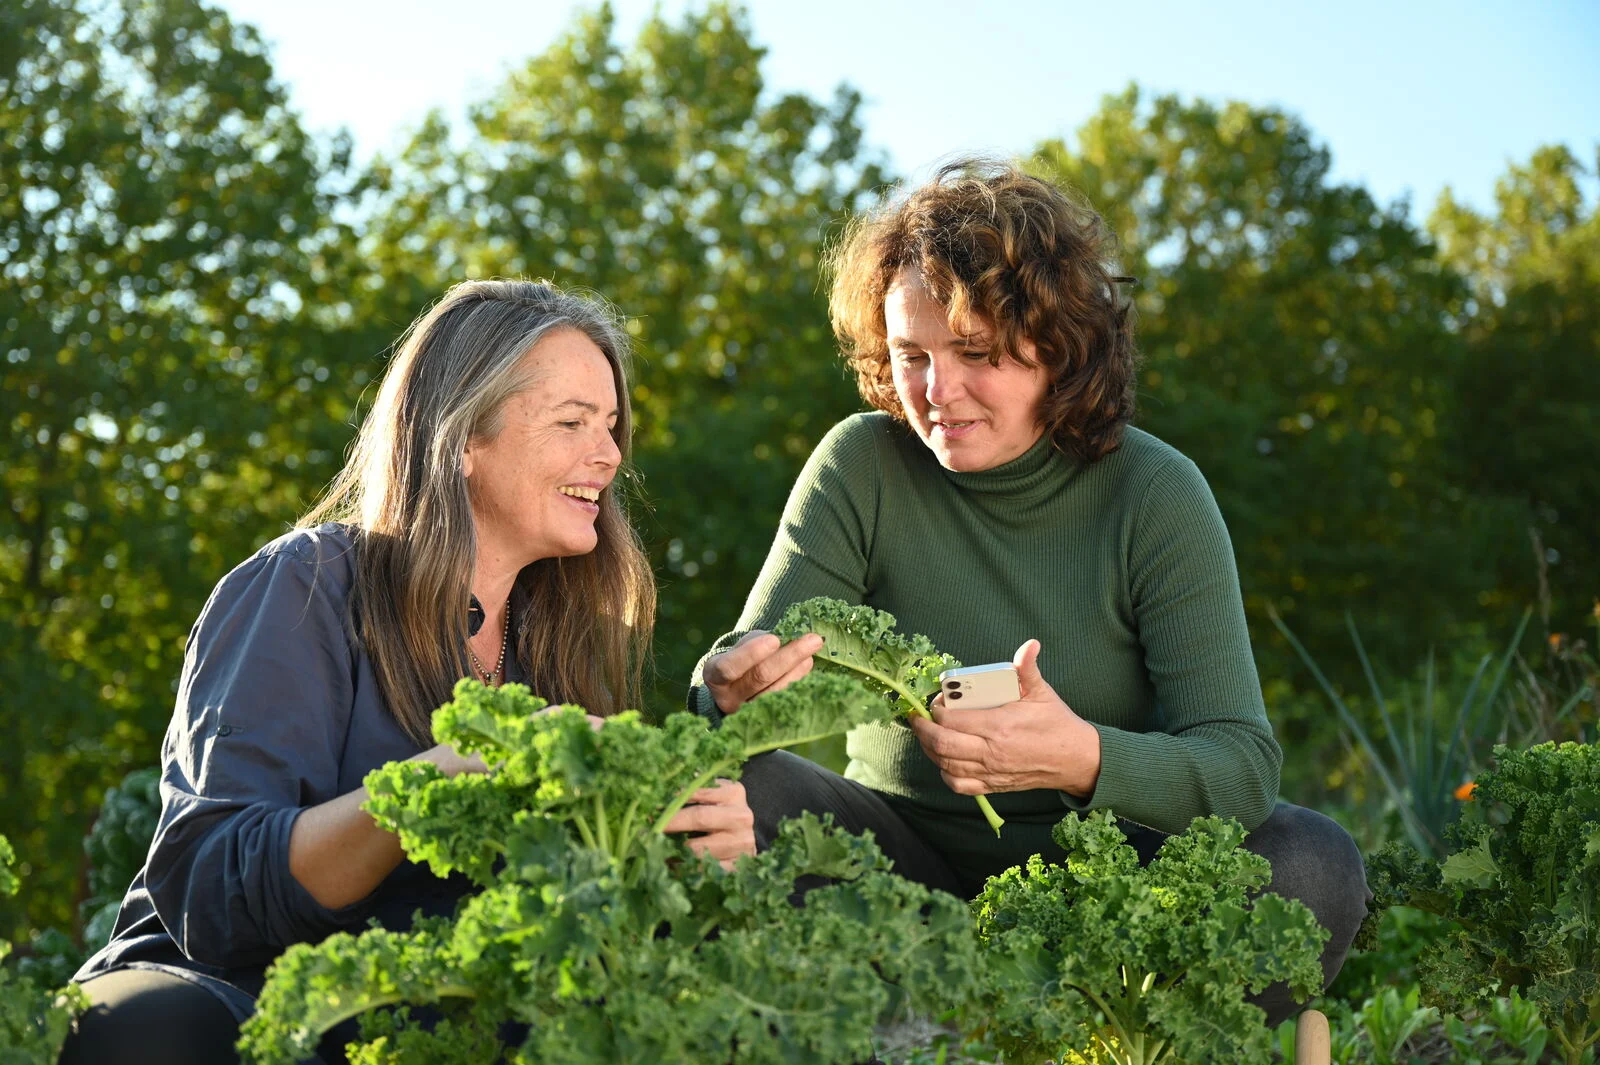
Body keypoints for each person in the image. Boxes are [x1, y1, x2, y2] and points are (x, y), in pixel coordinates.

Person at [690, 160, 1369, 1026]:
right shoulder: (862, 463)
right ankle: (899, 1026)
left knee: (1311, 860)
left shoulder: (1155, 494)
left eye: (976, 353)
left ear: (1059, 346)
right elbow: (737, 684)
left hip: (1112, 898)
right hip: (900, 876)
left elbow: (1240, 768)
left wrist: (1081, 756)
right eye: (912, 356)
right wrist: (729, 683)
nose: (938, 393)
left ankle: (1112, 1035)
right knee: (734, 795)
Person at [62, 279, 757, 1065]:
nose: (610, 453)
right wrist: (438, 781)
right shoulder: (307, 586)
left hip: (419, 1028)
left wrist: (693, 854)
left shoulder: (562, 651)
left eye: (611, 425)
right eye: (572, 423)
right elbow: (209, 890)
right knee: (149, 1035)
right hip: (223, 999)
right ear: (462, 439)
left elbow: (571, 934)